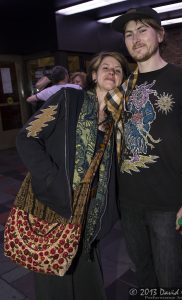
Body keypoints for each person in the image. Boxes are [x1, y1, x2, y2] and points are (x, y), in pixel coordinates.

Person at [105, 7, 182, 287]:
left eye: (142, 30)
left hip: (167, 203)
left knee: (170, 279)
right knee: (144, 276)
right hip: (128, 203)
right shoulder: (123, 87)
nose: (135, 39)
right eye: (128, 34)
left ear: (160, 35)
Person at [16, 52, 129, 300]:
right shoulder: (68, 99)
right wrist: (51, 180)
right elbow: (28, 136)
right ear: (94, 75)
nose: (111, 72)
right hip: (53, 210)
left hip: (88, 217)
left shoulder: (117, 122)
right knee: (54, 286)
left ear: (122, 80)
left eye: (118, 69)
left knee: (89, 285)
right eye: (106, 67)